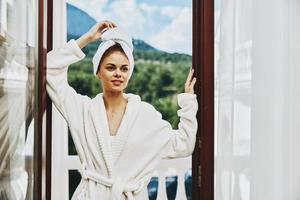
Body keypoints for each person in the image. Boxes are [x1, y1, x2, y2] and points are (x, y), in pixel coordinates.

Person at [47, 20, 198, 200]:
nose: (118, 73)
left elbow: (184, 144)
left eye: (124, 68)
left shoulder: (144, 115)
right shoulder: (82, 110)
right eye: (111, 67)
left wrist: (188, 102)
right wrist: (88, 38)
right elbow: (50, 68)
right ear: (98, 71)